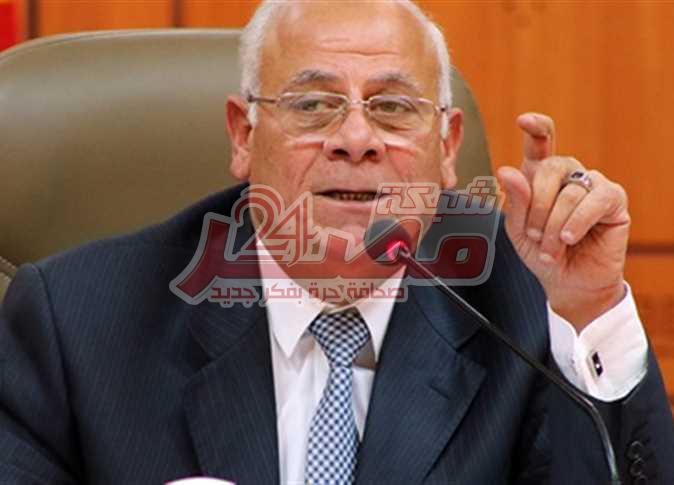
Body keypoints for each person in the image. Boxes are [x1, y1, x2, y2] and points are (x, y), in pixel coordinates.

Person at [0, 1, 672, 484]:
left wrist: (589, 309)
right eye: (313, 105)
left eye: (393, 107)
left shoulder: (528, 302)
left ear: (447, 148)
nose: (355, 139)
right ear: (243, 136)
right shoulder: (78, 324)